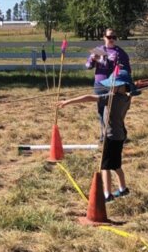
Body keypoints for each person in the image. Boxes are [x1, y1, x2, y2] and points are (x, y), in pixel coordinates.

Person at [58, 70, 136, 202]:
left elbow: (89, 97)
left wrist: (68, 101)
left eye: (114, 85)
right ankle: (123, 189)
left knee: (105, 167)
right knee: (116, 165)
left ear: (122, 86)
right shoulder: (127, 97)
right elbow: (130, 91)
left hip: (111, 136)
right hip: (120, 134)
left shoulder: (112, 98)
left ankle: (107, 194)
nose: (111, 87)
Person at [86, 29, 132, 134]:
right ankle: (104, 134)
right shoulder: (98, 50)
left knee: (114, 111)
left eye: (114, 37)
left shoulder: (120, 52)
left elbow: (127, 70)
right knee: (101, 111)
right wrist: (93, 60)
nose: (112, 39)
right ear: (104, 37)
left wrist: (114, 65)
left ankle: (119, 132)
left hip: (114, 85)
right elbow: (88, 66)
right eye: (109, 37)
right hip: (99, 84)